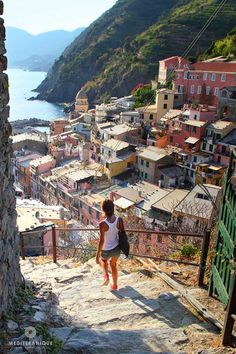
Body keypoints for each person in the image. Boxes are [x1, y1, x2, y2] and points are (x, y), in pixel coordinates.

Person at [96, 199, 124, 291]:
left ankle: (106, 277)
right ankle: (115, 286)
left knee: (104, 261)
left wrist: (97, 255)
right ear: (113, 208)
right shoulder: (119, 220)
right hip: (116, 248)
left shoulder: (102, 224)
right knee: (113, 265)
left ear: (104, 210)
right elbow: (122, 234)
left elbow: (102, 241)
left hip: (105, 250)